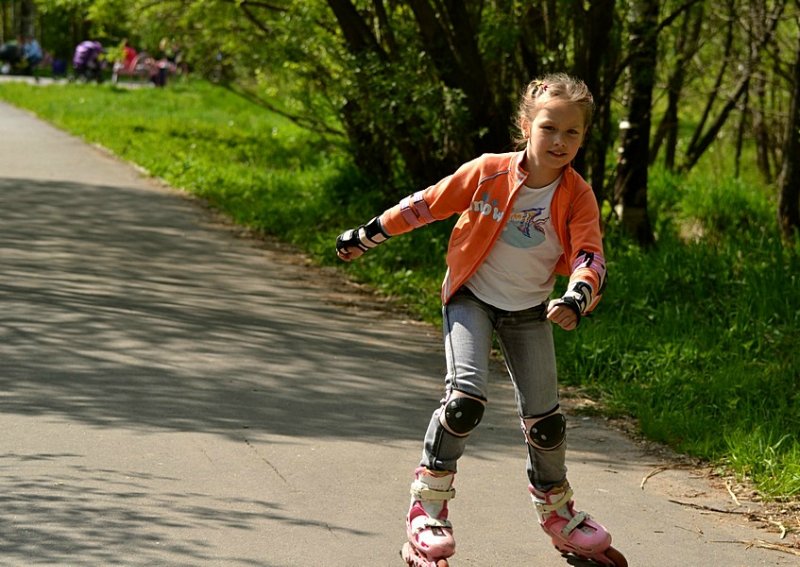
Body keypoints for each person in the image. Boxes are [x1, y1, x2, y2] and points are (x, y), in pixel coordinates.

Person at [335, 74, 625, 567]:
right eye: (549, 128)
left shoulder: (577, 194)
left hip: (530, 310)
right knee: (465, 400)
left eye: (572, 133)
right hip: (471, 296)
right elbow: (428, 202)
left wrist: (577, 298)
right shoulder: (489, 172)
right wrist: (369, 234)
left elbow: (589, 256)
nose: (559, 141)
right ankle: (427, 508)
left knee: (546, 421)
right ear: (526, 125)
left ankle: (558, 513)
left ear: (583, 136)